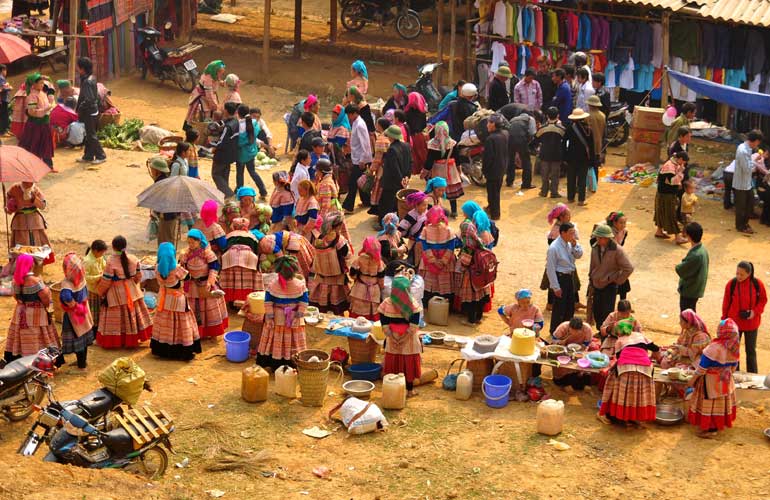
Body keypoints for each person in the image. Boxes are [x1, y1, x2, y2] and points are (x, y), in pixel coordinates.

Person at [96, 236, 153, 348]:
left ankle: (118, 341)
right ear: (125, 246)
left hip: (116, 293)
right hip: (132, 291)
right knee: (132, 317)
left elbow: (106, 281)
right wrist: (133, 285)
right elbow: (138, 276)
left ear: (113, 247)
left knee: (117, 319)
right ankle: (132, 339)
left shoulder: (110, 261)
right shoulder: (133, 258)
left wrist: (101, 292)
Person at [597, 320, 658, 426]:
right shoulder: (640, 336)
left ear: (618, 332)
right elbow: (656, 348)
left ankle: (609, 414)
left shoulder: (620, 341)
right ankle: (633, 417)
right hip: (645, 370)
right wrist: (651, 357)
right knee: (636, 393)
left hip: (626, 369)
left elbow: (619, 360)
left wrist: (608, 370)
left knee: (616, 387)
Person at [688, 318, 740, 438]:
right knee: (720, 405)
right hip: (726, 381)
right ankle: (717, 426)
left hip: (710, 382)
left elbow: (702, 368)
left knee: (710, 405)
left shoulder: (713, 348)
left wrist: (692, 380)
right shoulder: (734, 348)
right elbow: (733, 367)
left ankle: (710, 430)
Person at [4, 254, 59, 362]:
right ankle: (40, 362)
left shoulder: (15, 281)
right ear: (30, 265)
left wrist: (23, 304)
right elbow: (46, 299)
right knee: (39, 337)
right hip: (36, 315)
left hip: (20, 314)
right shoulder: (36, 281)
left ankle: (19, 360)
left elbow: (16, 297)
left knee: (20, 336)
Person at [151, 243, 201, 361]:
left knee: (165, 323)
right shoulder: (176, 268)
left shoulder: (157, 268)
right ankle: (183, 350)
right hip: (177, 300)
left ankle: (163, 350)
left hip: (164, 299)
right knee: (182, 324)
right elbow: (187, 277)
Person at [257, 256, 309, 370]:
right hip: (294, 318)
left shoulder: (272, 285)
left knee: (276, 340)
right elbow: (304, 303)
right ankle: (292, 362)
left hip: (277, 318)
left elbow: (268, 302)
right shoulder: (300, 285)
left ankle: (275, 363)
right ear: (294, 271)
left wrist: (270, 318)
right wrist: (298, 316)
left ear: (278, 271)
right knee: (292, 341)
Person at [379, 275, 423, 397]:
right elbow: (413, 327)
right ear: (408, 289)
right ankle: (410, 391)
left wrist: (393, 338)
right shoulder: (413, 304)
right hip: (408, 339)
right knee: (408, 364)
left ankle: (393, 390)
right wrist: (403, 339)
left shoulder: (386, 303)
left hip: (392, 337)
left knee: (393, 363)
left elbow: (384, 324)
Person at [180, 229, 229, 338]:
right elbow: (182, 266)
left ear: (199, 241)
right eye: (189, 242)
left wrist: (210, 281)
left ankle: (211, 332)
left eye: (193, 242)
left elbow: (214, 268)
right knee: (193, 307)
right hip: (192, 285)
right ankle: (195, 332)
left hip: (206, 284)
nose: (190, 245)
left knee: (209, 307)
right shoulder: (186, 253)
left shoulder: (207, 253)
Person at [721, 261, 767, 373]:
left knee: (750, 351)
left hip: (751, 324)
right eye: (737, 273)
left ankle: (753, 376)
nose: (738, 276)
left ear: (749, 274)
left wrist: (754, 312)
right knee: (733, 351)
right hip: (734, 325)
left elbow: (763, 300)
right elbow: (726, 303)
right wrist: (724, 321)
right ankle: (734, 374)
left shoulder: (757, 284)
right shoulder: (731, 284)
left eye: (741, 274)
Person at [588, 224, 634, 329]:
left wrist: (618, 280)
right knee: (597, 311)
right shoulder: (595, 248)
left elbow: (629, 268)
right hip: (596, 284)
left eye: (600, 238)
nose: (597, 239)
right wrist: (591, 278)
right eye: (597, 237)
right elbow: (592, 265)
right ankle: (600, 331)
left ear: (607, 238)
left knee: (607, 313)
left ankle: (605, 333)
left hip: (609, 286)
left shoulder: (617, 250)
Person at [55, 252, 95, 369]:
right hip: (84, 311)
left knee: (78, 339)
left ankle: (81, 366)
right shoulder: (82, 279)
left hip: (74, 316)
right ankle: (82, 362)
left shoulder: (67, 283)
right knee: (84, 337)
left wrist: (73, 305)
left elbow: (66, 298)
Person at [309, 213, 353, 315]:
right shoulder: (339, 240)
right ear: (338, 226)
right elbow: (347, 255)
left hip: (322, 277)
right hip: (337, 279)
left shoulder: (319, 238)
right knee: (338, 308)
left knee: (322, 307)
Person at [456, 208, 492, 325]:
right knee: (481, 297)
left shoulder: (468, 247)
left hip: (471, 277)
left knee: (472, 299)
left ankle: (471, 320)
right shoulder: (479, 243)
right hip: (482, 278)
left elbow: (464, 263)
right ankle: (478, 318)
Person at [546, 222, 583, 333]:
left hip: (570, 277)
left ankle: (567, 329)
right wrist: (556, 287)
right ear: (562, 233)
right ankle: (555, 331)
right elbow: (550, 269)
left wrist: (575, 246)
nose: (573, 235)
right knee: (559, 307)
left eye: (574, 232)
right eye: (571, 233)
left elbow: (579, 255)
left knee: (570, 305)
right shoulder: (554, 248)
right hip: (560, 278)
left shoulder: (570, 243)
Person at [417, 206, 457, 307]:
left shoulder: (426, 229)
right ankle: (446, 305)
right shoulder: (448, 229)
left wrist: (433, 260)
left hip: (429, 260)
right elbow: (451, 247)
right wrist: (443, 260)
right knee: (445, 282)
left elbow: (425, 246)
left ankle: (428, 304)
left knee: (429, 281)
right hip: (446, 261)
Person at [5, 182, 54, 262]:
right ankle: (22, 263)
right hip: (20, 223)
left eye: (31, 182)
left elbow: (43, 206)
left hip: (35, 222)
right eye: (26, 181)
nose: (29, 183)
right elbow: (9, 206)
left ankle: (37, 262)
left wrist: (34, 198)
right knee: (21, 244)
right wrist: (9, 207)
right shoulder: (14, 189)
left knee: (37, 243)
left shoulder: (35, 190)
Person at [424, 121, 462, 217]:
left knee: (437, 190)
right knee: (451, 190)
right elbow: (457, 159)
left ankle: (438, 210)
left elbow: (429, 161)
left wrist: (425, 172)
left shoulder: (432, 144)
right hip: (451, 169)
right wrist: (459, 171)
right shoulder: (452, 143)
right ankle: (454, 211)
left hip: (437, 170)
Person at [220, 217, 261, 303]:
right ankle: (247, 299)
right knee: (247, 279)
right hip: (248, 257)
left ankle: (231, 299)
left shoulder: (229, 235)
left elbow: (223, 248)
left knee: (232, 279)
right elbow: (256, 250)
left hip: (230, 257)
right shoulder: (251, 236)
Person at [18, 73, 55, 170]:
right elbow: (31, 112)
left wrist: (49, 107)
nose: (42, 85)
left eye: (43, 83)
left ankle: (48, 165)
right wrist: (46, 109)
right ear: (33, 84)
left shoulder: (42, 93)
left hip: (44, 123)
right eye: (40, 83)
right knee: (34, 145)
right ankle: (32, 165)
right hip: (35, 125)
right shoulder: (31, 96)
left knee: (46, 144)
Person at [73, 58, 107, 165]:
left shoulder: (87, 81)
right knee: (89, 135)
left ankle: (101, 155)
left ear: (82, 69)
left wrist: (80, 108)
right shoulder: (91, 78)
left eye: (78, 67)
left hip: (89, 112)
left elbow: (89, 99)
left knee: (91, 135)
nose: (77, 69)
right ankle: (88, 156)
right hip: (93, 111)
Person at [342, 104, 373, 213]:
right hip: (357, 157)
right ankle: (367, 201)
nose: (348, 117)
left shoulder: (359, 125)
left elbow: (365, 143)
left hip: (361, 159)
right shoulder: (355, 123)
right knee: (361, 181)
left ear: (354, 113)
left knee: (353, 183)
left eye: (349, 115)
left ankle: (348, 206)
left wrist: (363, 160)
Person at [378, 125, 412, 221]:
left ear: (391, 136)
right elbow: (410, 162)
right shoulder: (406, 146)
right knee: (397, 203)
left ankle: (384, 223)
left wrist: (400, 179)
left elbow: (394, 168)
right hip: (403, 180)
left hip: (391, 182)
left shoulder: (392, 149)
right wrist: (406, 177)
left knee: (386, 204)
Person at [733, 129, 764, 234]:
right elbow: (747, 169)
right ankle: (740, 226)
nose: (758, 145)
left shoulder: (747, 148)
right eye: (758, 142)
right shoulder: (743, 151)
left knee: (749, 204)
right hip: (741, 183)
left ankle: (745, 224)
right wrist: (757, 166)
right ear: (756, 141)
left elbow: (749, 164)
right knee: (741, 207)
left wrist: (755, 161)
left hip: (746, 182)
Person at [654, 151, 688, 243]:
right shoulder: (669, 167)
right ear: (680, 159)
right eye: (684, 161)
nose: (683, 164)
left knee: (661, 212)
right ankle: (678, 237)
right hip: (667, 194)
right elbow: (672, 181)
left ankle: (659, 231)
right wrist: (680, 172)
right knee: (671, 214)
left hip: (662, 192)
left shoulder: (673, 164)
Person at [550, 317, 593, 389]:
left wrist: (581, 348)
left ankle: (578, 375)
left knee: (581, 364)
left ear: (581, 328)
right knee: (560, 370)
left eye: (576, 331)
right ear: (569, 327)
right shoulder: (563, 327)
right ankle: (561, 378)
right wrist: (559, 342)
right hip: (563, 349)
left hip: (580, 350)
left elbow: (586, 343)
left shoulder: (587, 329)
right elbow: (554, 340)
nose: (574, 333)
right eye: (572, 330)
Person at [349, 236, 386, 320]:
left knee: (357, 310)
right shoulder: (379, 262)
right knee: (373, 311)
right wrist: (381, 287)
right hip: (374, 289)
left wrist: (356, 278)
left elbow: (352, 274)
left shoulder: (359, 259)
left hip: (359, 288)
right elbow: (381, 278)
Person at [235, 104, 268, 198]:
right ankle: (263, 191)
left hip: (241, 154)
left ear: (238, 114)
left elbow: (238, 141)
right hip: (251, 152)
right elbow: (254, 134)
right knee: (252, 172)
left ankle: (239, 191)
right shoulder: (253, 122)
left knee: (240, 173)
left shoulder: (238, 125)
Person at [675, 222, 709, 312]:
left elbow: (680, 269)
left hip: (690, 289)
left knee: (686, 314)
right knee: (691, 312)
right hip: (696, 288)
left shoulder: (695, 255)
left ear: (689, 236)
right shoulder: (702, 249)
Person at [564, 108, 594, 206]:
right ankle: (581, 200)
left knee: (571, 178)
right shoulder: (588, 129)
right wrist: (592, 159)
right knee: (582, 179)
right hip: (584, 158)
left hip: (571, 156)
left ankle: (570, 198)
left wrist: (565, 156)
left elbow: (564, 143)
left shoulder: (569, 128)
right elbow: (591, 146)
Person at [482, 113, 509, 220]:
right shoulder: (505, 134)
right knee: (496, 191)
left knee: (493, 193)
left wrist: (484, 170)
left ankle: (495, 214)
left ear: (493, 124)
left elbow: (488, 158)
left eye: (489, 122)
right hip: (502, 167)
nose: (487, 125)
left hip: (493, 170)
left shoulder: (491, 139)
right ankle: (491, 208)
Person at [211, 101, 240, 198]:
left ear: (226, 111)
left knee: (216, 174)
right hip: (231, 153)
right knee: (224, 174)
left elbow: (221, 141)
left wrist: (214, 147)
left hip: (222, 154)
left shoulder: (228, 127)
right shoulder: (236, 122)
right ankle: (224, 196)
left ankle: (229, 194)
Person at [535, 107, 565, 198]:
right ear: (558, 116)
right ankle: (554, 192)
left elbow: (536, 139)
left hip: (544, 155)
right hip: (557, 155)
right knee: (555, 175)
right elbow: (565, 141)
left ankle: (544, 192)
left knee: (544, 174)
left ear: (547, 116)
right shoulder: (561, 129)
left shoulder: (542, 128)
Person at [185, 60, 224, 129]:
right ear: (215, 71)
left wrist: (221, 82)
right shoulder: (207, 79)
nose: (221, 74)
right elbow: (209, 94)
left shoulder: (213, 74)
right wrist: (214, 105)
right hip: (202, 99)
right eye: (220, 72)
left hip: (207, 97)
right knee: (203, 115)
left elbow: (217, 80)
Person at [603, 211, 631, 299]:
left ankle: (623, 302)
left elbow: (621, 245)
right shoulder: (609, 233)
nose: (623, 225)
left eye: (624, 223)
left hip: (618, 257)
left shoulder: (624, 232)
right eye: (621, 223)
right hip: (608, 259)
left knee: (623, 282)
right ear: (614, 223)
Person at [506, 110, 535, 189]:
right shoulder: (530, 119)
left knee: (510, 160)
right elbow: (532, 133)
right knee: (526, 162)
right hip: (521, 140)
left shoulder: (513, 119)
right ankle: (526, 184)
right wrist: (527, 143)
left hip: (510, 140)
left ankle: (509, 181)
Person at [369, 117, 391, 220]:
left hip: (382, 169)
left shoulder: (381, 139)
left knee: (379, 188)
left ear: (380, 126)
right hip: (391, 168)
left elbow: (377, 158)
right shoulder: (391, 137)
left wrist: (372, 169)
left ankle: (378, 210)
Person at [398, 191, 429, 263]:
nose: (426, 207)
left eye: (427, 205)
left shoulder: (426, 212)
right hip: (413, 237)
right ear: (416, 206)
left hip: (423, 236)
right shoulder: (411, 215)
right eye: (424, 205)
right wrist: (399, 234)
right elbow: (403, 226)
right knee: (411, 250)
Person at [84, 239, 107, 330]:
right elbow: (85, 278)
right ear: (95, 251)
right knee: (93, 313)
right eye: (101, 252)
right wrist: (99, 277)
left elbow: (105, 266)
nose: (102, 254)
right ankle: (93, 330)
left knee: (98, 311)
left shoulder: (100, 257)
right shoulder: (87, 261)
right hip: (91, 291)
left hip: (99, 289)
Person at [404, 92, 428, 174]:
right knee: (422, 154)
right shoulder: (422, 112)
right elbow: (424, 125)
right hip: (420, 136)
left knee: (413, 155)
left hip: (411, 137)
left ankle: (414, 172)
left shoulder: (407, 112)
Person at [585, 95, 605, 179]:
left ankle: (588, 182)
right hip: (598, 143)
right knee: (596, 164)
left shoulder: (587, 116)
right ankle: (595, 181)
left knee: (587, 165)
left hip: (589, 145)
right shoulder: (602, 115)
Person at [0, 64, 10, 135]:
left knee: (4, 115)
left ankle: (5, 130)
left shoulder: (2, 78)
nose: (6, 72)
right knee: (4, 115)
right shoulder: (1, 78)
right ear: (2, 70)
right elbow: (2, 88)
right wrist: (9, 88)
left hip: (3, 99)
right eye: (5, 70)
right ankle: (3, 131)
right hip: (3, 99)